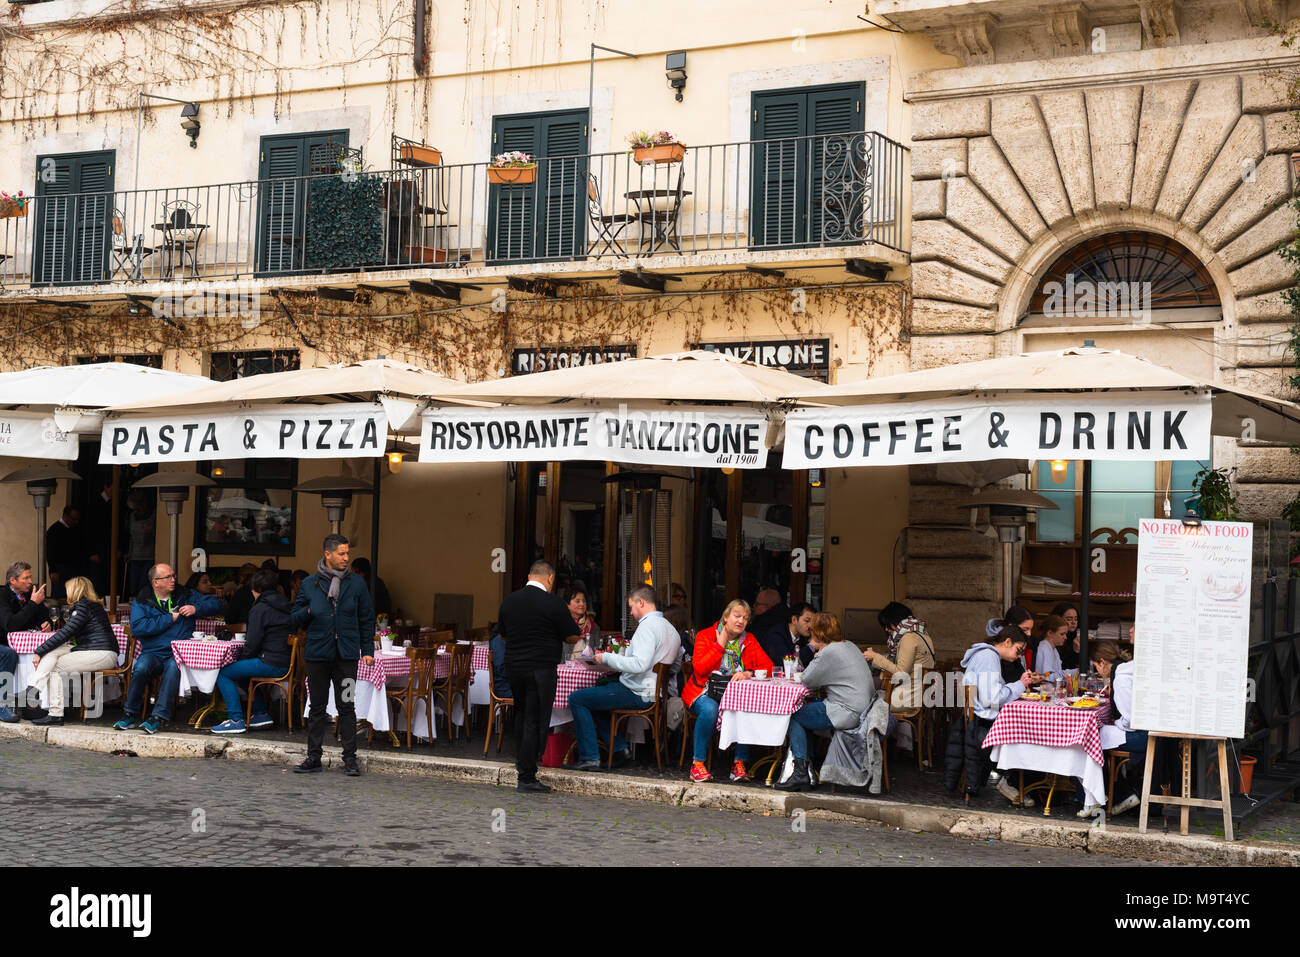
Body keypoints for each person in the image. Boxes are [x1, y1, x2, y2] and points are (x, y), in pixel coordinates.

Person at [565, 584, 681, 771]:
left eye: (631, 607)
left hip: (637, 692)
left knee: (578, 698)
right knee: (595, 698)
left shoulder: (647, 628)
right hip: (654, 693)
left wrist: (607, 658)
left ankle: (589, 757)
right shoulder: (670, 629)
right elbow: (675, 665)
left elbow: (639, 664)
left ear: (641, 602)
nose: (632, 612)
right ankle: (619, 750)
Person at [291, 534, 375, 777]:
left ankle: (350, 758)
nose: (346, 558)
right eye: (341, 553)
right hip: (318, 655)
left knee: (346, 705)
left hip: (347, 656)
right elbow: (294, 617)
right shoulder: (310, 584)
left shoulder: (357, 584)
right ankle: (313, 756)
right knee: (316, 706)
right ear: (327, 554)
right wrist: (309, 610)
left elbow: (366, 619)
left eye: (347, 553)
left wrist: (367, 651)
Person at [497, 560, 580, 793]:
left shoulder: (509, 600)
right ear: (550, 578)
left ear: (529, 575)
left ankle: (522, 762)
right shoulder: (553, 603)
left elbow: (502, 636)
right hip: (540, 669)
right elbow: (572, 636)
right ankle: (526, 777)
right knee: (536, 719)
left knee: (522, 715)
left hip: (514, 667)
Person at [117, 563, 223, 734]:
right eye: (168, 577)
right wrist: (168, 619)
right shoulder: (142, 600)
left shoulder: (186, 594)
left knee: (174, 669)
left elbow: (216, 603)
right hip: (153, 652)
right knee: (141, 668)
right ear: (155, 582)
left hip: (177, 653)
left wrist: (197, 608)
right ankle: (130, 713)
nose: (173, 580)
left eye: (173, 576)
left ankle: (158, 717)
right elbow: (137, 628)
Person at [681, 598, 773, 784]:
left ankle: (739, 763)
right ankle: (697, 764)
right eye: (737, 616)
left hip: (735, 696)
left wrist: (748, 673)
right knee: (710, 710)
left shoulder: (749, 640)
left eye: (745, 618)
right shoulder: (706, 636)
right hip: (703, 691)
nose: (741, 621)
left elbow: (768, 666)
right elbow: (699, 669)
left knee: (746, 709)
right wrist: (719, 644)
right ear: (725, 617)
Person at [777, 612, 873, 792]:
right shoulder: (849, 645)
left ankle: (800, 773)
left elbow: (807, 679)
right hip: (863, 710)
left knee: (793, 714)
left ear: (817, 633)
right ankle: (809, 767)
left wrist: (815, 650)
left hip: (846, 711)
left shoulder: (828, 652)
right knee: (806, 713)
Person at [955, 624, 1041, 804]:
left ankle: (1017, 782)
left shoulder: (986, 655)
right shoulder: (989, 658)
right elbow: (991, 698)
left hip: (978, 720)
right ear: (1007, 642)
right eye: (1018, 651)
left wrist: (1018, 684)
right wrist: (1018, 685)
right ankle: (1008, 780)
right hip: (984, 723)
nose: (1019, 656)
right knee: (1030, 735)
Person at [27, 576, 119, 726]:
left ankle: (54, 714)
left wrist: (38, 651)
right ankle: (33, 688)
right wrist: (42, 651)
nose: (66, 593)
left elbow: (65, 634)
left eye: (68, 590)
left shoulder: (83, 606)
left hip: (100, 653)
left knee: (54, 667)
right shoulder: (91, 605)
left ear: (75, 590)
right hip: (95, 650)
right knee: (52, 653)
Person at [210, 568, 292, 735]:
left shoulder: (260, 608)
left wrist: (240, 659)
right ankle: (261, 714)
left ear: (257, 590)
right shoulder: (285, 604)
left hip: (270, 662)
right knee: (241, 673)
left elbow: (253, 642)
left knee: (223, 673)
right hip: (286, 661)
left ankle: (235, 719)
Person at [0, 561, 52, 723]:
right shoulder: (2, 596)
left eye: (31, 577)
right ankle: (3, 705)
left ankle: (35, 705)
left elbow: (44, 616)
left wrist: (47, 623)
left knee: (45, 654)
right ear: (12, 581)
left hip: (22, 643)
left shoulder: (30, 595)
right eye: (26, 578)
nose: (31, 581)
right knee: (9, 654)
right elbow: (10, 625)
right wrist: (32, 604)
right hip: (3, 641)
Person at [865, 601, 936, 713]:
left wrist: (876, 657)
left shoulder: (908, 638)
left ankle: (868, 731)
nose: (886, 629)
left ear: (896, 620)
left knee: (865, 701)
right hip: (917, 695)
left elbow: (901, 673)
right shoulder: (922, 634)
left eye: (888, 625)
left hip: (907, 698)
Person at [758, 601, 815, 670]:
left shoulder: (803, 637)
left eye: (813, 622)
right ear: (794, 620)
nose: (811, 625)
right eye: (807, 621)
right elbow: (787, 664)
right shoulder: (776, 635)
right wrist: (811, 646)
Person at [45, 505, 83, 600]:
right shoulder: (54, 530)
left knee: (73, 595)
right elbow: (50, 552)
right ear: (65, 516)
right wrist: (53, 570)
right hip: (60, 569)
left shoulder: (76, 529)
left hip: (73, 568)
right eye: (73, 519)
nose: (76, 522)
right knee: (60, 596)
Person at [124, 494, 155, 598]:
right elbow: (131, 536)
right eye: (133, 509)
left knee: (143, 585)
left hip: (149, 556)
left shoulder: (154, 516)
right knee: (133, 586)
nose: (135, 511)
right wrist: (129, 551)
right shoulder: (132, 516)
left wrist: (152, 530)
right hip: (135, 556)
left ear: (143, 505)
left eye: (137, 508)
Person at [562, 582, 600, 659]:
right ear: (567, 604)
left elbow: (597, 651)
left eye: (584, 601)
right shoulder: (562, 625)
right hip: (566, 668)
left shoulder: (593, 627)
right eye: (577, 601)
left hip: (588, 668)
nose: (582, 604)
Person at [1034, 614, 1070, 679]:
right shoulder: (1044, 648)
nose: (1065, 637)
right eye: (1062, 634)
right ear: (1050, 633)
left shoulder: (1053, 649)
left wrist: (1075, 672)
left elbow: (1058, 672)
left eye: (1066, 634)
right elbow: (1047, 675)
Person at [1050, 601, 1081, 670]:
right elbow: (1062, 667)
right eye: (1069, 619)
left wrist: (1077, 651)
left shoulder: (1077, 637)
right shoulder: (1054, 638)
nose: (1073, 622)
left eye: (1076, 619)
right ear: (1058, 619)